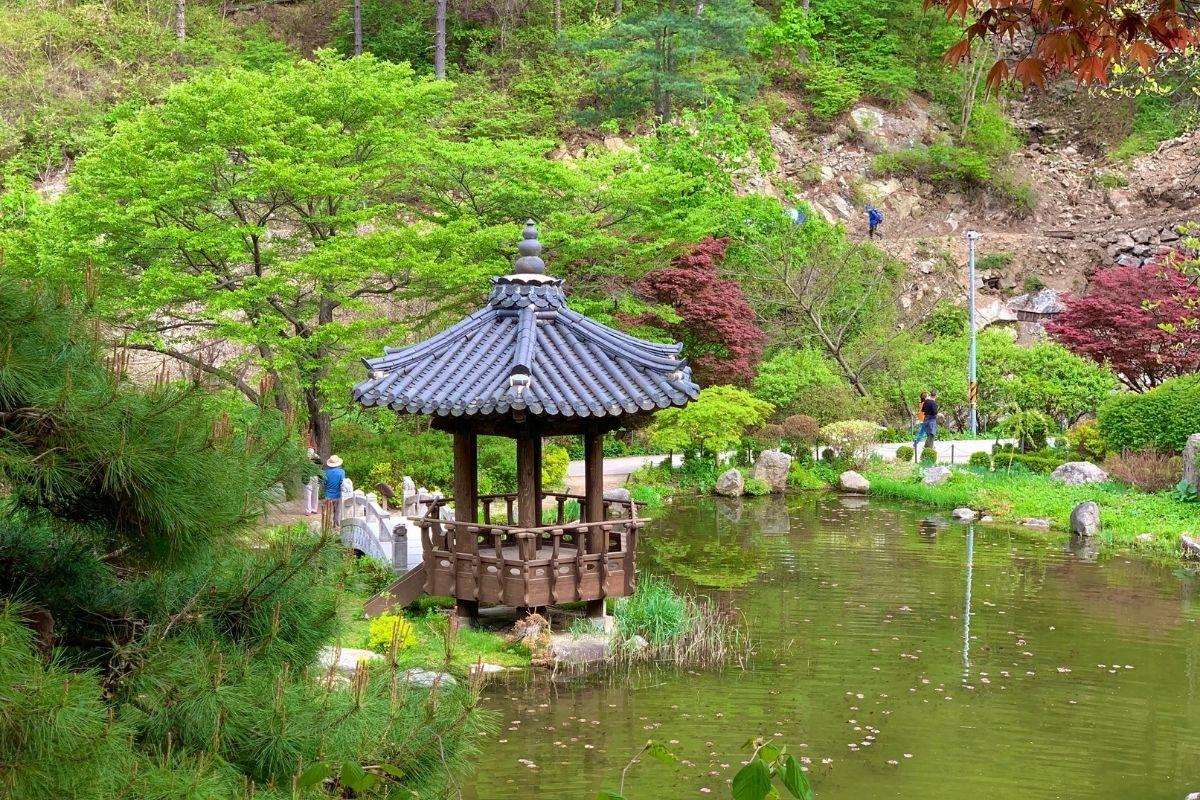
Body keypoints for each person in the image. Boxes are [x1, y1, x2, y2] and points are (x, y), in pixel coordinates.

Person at [322, 454, 346, 527]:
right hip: (338, 495)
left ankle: (328, 526)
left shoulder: (326, 472)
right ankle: (336, 525)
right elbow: (342, 483)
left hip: (328, 495)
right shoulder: (341, 472)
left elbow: (324, 483)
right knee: (337, 512)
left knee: (328, 512)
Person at [913, 390, 939, 458]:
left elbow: (923, 410)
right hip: (926, 419)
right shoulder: (927, 402)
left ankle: (928, 446)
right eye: (927, 395)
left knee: (928, 434)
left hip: (924, 419)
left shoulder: (924, 402)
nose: (928, 396)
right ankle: (922, 446)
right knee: (928, 434)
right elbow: (934, 412)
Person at [304, 447, 320, 516]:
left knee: (315, 494)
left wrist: (317, 457)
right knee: (308, 495)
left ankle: (314, 509)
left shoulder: (316, 460)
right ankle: (308, 510)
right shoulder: (305, 461)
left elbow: (321, 462)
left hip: (315, 477)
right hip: (308, 478)